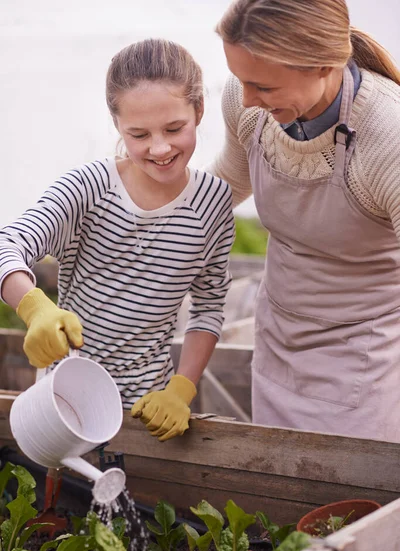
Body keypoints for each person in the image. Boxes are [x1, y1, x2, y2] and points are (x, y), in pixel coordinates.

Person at [0, 39, 235, 442]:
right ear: (117, 126)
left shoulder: (213, 202)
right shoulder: (91, 186)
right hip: (67, 402)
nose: (159, 148)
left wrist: (182, 389)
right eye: (139, 134)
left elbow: (209, 307)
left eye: (174, 128)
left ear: (198, 111)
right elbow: (8, 244)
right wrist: (35, 306)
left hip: (151, 412)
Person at [210, 0, 400, 442]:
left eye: (263, 87)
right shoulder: (245, 102)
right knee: (276, 498)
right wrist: (142, 216)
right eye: (241, 80)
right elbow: (225, 185)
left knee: (351, 506)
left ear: (321, 66)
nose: (249, 98)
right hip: (279, 344)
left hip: (365, 365)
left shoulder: (389, 138)